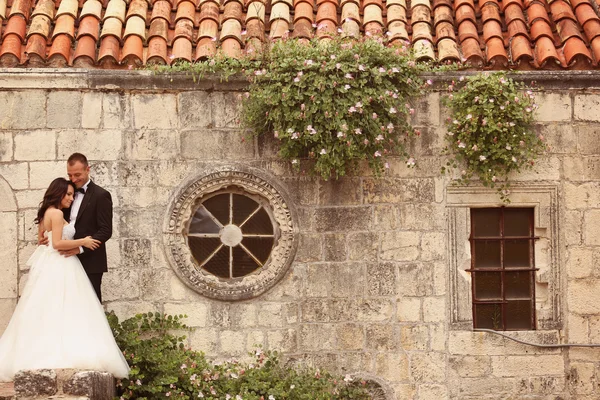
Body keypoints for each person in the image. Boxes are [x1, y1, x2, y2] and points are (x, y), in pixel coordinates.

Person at [0, 178, 129, 382]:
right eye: (68, 194)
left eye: (72, 194)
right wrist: (84, 241)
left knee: (49, 308)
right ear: (58, 193)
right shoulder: (58, 213)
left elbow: (42, 241)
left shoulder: (44, 214)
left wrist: (55, 241)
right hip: (61, 263)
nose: (71, 198)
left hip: (50, 265)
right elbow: (58, 243)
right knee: (69, 306)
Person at [41, 153, 112, 302]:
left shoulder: (101, 195)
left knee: (90, 305)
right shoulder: (66, 192)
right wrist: (43, 233)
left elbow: (106, 230)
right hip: (63, 260)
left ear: (88, 169)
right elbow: (51, 214)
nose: (73, 179)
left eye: (77, 174)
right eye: (70, 175)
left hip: (90, 260)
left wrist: (80, 248)